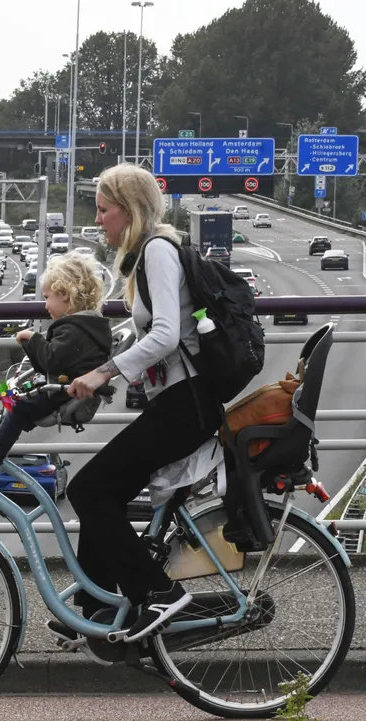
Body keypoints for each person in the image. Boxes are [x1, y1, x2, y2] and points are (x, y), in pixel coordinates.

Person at [56, 163, 223, 647]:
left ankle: (157, 592)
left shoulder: (157, 252)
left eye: (104, 210)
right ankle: (96, 613)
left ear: (129, 211)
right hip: (174, 402)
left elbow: (168, 334)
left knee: (89, 490)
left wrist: (105, 372)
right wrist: (85, 374)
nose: (99, 220)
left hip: (185, 403)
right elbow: (145, 336)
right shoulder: (147, 255)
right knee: (99, 491)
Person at [0, 255, 112, 471]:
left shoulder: (73, 330)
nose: (45, 305)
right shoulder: (87, 325)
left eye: (47, 297)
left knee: (19, 405)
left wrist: (32, 338)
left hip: (63, 391)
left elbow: (51, 359)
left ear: (65, 296)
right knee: (13, 399)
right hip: (64, 385)